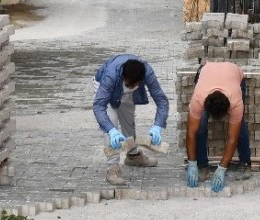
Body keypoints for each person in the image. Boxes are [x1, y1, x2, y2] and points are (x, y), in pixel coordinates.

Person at [91, 54, 170, 186]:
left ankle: (133, 156)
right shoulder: (111, 75)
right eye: (128, 84)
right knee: (111, 120)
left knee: (128, 120)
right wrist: (111, 130)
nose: (130, 86)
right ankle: (112, 168)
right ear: (123, 77)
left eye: (134, 85)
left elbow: (161, 100)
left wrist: (158, 126)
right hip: (104, 87)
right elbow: (99, 106)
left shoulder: (147, 73)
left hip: (125, 93)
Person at [184, 60, 250, 193]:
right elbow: (191, 132)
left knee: (239, 128)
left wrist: (222, 169)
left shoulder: (235, 101)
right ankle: (202, 165)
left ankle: (245, 162)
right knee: (200, 128)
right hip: (208, 71)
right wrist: (192, 164)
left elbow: (232, 138)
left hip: (234, 72)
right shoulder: (199, 98)